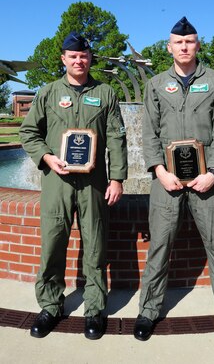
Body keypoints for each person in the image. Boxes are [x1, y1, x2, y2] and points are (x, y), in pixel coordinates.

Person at [133, 17, 214, 351]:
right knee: (159, 248)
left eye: (190, 41)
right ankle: (148, 311)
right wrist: (159, 170)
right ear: (169, 47)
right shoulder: (155, 84)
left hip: (207, 180)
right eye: (178, 42)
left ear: (197, 45)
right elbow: (148, 132)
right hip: (166, 181)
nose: (184, 47)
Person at [20, 31, 128, 340]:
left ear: (90, 58)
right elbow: (29, 132)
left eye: (84, 56)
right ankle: (51, 306)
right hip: (57, 181)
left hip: (94, 183)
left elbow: (118, 138)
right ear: (64, 59)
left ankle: (94, 309)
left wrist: (117, 177)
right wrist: (47, 158)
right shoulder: (48, 92)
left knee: (95, 245)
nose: (79, 60)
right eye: (73, 56)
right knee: (53, 244)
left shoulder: (106, 93)